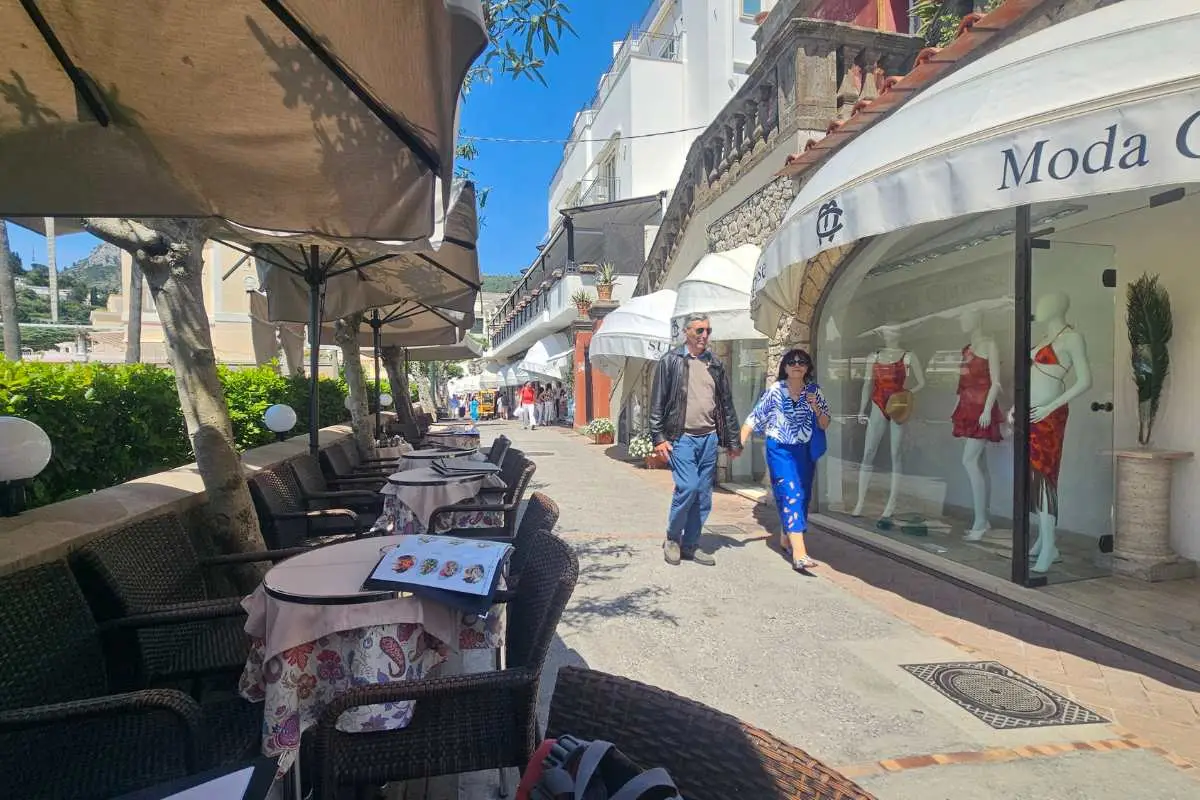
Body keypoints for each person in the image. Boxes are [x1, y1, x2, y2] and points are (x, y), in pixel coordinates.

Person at [649, 313, 741, 567]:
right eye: (699, 330)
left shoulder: (715, 364)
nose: (704, 336)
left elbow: (726, 405)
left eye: (708, 331)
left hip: (709, 438)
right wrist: (658, 437)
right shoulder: (671, 361)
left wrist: (733, 440)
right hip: (682, 438)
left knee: (703, 494)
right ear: (686, 332)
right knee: (687, 487)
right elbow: (656, 402)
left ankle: (691, 544)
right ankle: (672, 539)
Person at [741, 349, 831, 573]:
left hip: (804, 450)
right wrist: (739, 443)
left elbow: (825, 423)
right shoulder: (775, 391)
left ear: (808, 367)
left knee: (802, 496)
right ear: (785, 367)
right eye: (792, 362)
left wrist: (816, 407)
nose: (797, 365)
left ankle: (785, 536)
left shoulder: (814, 391)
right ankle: (800, 554)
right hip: (779, 448)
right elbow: (754, 417)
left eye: (802, 362)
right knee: (791, 492)